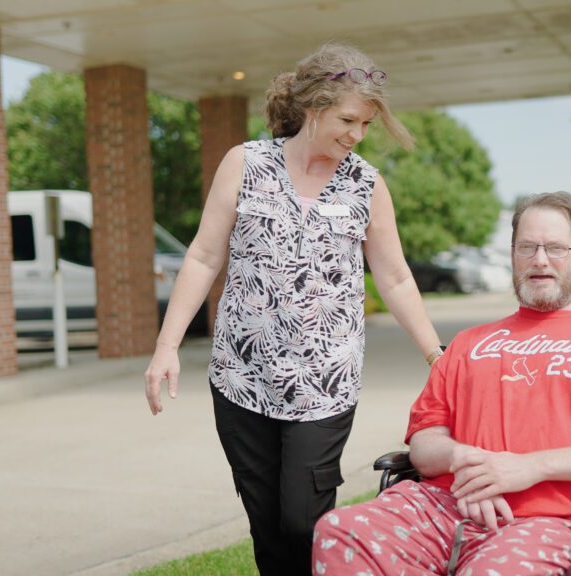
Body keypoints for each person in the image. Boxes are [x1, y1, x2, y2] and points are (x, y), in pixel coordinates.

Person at [143, 43, 444, 575]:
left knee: (304, 520)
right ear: (313, 107)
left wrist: (433, 354)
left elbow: (395, 277)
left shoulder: (366, 185)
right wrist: (167, 346)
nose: (356, 134)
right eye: (347, 119)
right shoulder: (246, 163)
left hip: (325, 382)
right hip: (243, 375)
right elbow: (204, 255)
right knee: (266, 523)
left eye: (366, 124)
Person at [312, 192, 571, 575]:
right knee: (341, 532)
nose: (540, 259)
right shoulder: (469, 342)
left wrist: (526, 468)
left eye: (555, 248)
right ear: (512, 254)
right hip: (443, 504)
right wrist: (466, 464)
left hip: (551, 518)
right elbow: (425, 438)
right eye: (527, 247)